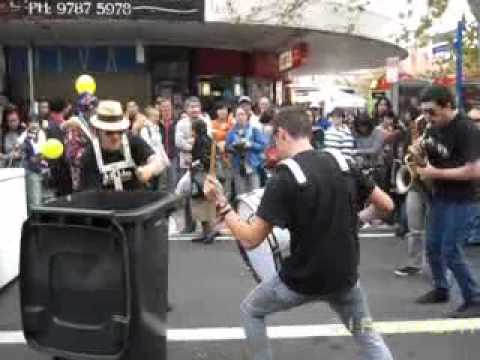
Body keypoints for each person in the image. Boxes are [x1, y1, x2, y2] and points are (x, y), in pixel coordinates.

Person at [204, 107, 394, 360]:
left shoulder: (284, 177)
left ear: (282, 134)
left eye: (274, 140)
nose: (275, 147)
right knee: (367, 337)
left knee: (251, 310)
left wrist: (222, 204)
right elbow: (386, 206)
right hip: (345, 279)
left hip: (302, 281)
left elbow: (250, 239)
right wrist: (355, 221)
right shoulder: (342, 162)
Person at [415, 85, 480, 318]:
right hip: (440, 196)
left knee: (451, 250)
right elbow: (428, 159)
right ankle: (441, 288)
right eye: (424, 112)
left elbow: (474, 171)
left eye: (432, 112)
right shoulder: (433, 129)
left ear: (448, 106)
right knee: (432, 247)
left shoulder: (466, 129)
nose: (427, 117)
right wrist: (418, 154)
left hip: (463, 199)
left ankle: (474, 299)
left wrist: (434, 174)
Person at [79, 100, 169, 192]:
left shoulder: (132, 142)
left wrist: (149, 169)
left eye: (119, 131)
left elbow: (159, 161)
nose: (115, 137)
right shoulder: (89, 156)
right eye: (109, 132)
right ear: (97, 131)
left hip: (136, 203)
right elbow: (87, 195)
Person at [226, 107, 267, 196]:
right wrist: (235, 146)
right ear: (235, 117)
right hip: (238, 166)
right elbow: (227, 147)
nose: (240, 117)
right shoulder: (231, 132)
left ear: (247, 116)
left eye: (242, 114)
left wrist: (251, 145)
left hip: (252, 166)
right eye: (238, 115)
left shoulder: (254, 130)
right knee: (241, 195)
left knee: (255, 193)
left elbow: (263, 145)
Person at [156, 97, 178, 192]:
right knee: (161, 183)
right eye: (164, 108)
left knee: (173, 181)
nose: (166, 111)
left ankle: (171, 204)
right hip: (160, 157)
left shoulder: (177, 123)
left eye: (168, 108)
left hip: (173, 156)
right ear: (160, 110)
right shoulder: (156, 124)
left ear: (172, 109)